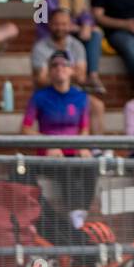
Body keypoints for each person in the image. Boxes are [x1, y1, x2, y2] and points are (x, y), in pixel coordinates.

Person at [22, 50, 97, 230]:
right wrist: (49, 144)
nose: (59, 68)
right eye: (54, 65)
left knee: (91, 163)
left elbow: (84, 128)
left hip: (72, 154)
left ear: (71, 70)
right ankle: (41, 216)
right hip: (48, 156)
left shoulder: (81, 97)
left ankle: (80, 212)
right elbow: (26, 129)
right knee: (24, 169)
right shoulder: (39, 97)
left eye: (64, 64)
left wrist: (83, 146)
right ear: (49, 71)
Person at [30, 8, 105, 134]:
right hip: (48, 94)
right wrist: (68, 72)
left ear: (70, 25)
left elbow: (81, 77)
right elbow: (40, 80)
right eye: (56, 24)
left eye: (64, 24)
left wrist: (54, 73)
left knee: (97, 106)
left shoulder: (77, 46)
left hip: (74, 93)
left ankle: (98, 150)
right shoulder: (40, 47)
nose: (60, 28)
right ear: (49, 24)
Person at [38, 0, 105, 95]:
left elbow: (86, 14)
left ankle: (92, 76)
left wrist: (86, 25)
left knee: (95, 32)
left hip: (74, 33)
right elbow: (56, 21)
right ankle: (79, 79)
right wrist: (79, 28)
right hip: (54, 34)